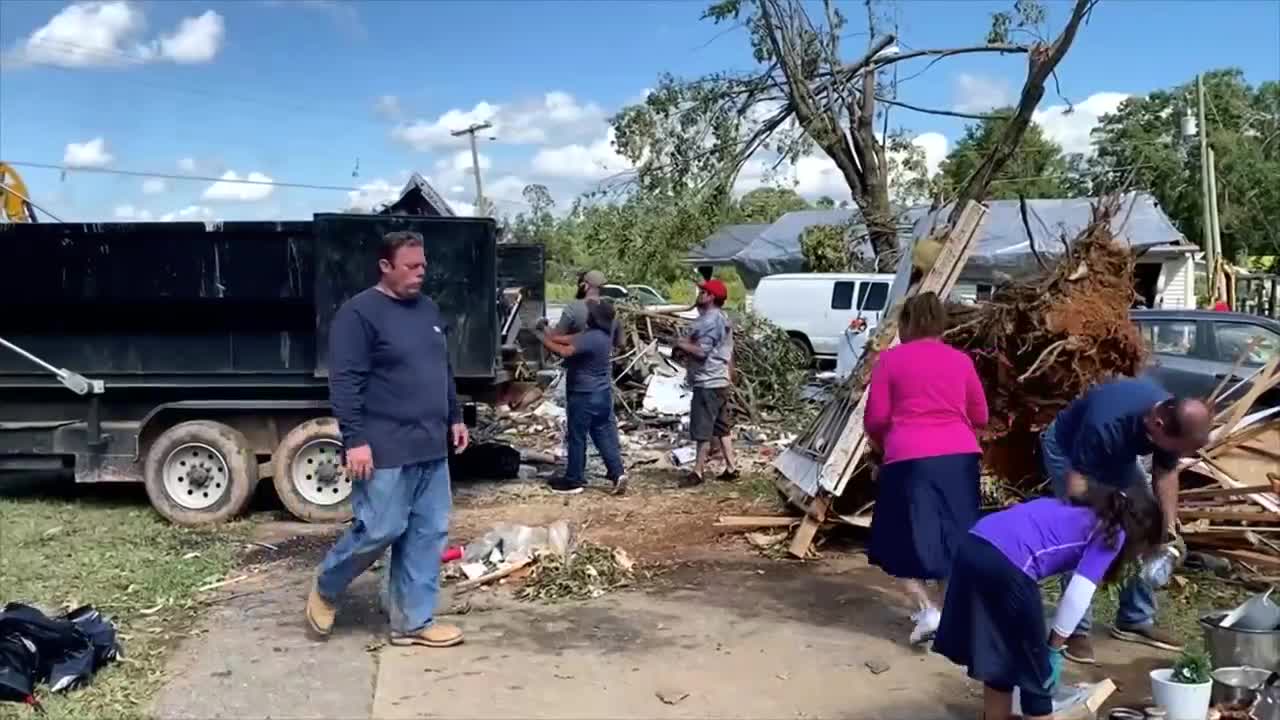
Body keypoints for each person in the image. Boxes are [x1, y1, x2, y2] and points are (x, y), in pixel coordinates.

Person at [305, 231, 469, 649]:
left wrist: (455, 416)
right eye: (410, 266)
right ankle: (326, 586)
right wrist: (354, 440)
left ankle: (413, 622)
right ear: (385, 266)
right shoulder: (359, 315)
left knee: (428, 533)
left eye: (423, 266)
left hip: (430, 445)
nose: (420, 273)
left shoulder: (428, 310)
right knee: (380, 529)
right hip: (383, 447)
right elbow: (345, 383)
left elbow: (442, 368)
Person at [934, 487, 1164, 720]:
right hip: (1008, 563)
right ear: (1141, 535)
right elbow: (1078, 595)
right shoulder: (1113, 532)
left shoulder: (1079, 507)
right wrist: (1053, 648)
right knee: (1036, 677)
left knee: (1001, 655)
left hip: (973, 545)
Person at [1040, 379, 1212, 664]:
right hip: (1069, 453)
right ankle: (1074, 630)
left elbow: (1166, 474)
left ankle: (1135, 618)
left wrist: (1167, 530)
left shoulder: (1173, 418)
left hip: (1119, 457)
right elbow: (1077, 484)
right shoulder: (1104, 423)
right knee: (1083, 534)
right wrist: (1102, 517)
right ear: (1157, 424)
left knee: (1145, 523)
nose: (1179, 453)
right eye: (1178, 448)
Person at [864, 291, 989, 645]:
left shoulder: (890, 361)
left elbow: (875, 418)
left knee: (895, 540)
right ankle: (947, 617)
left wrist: (882, 444)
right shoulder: (961, 361)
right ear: (941, 324)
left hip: (909, 458)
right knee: (954, 539)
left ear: (906, 323)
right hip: (960, 459)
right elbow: (980, 415)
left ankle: (928, 608)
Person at [540, 299, 627, 496]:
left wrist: (540, 337)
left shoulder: (590, 337)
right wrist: (547, 332)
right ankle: (617, 473)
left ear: (593, 318)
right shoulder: (602, 336)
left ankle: (574, 479)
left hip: (584, 394)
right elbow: (565, 339)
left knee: (577, 436)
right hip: (603, 394)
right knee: (603, 434)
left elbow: (564, 351)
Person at [675, 278, 737, 487]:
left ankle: (698, 472)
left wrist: (681, 344)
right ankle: (731, 468)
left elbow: (702, 352)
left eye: (703, 292)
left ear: (711, 297)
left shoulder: (708, 321)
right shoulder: (724, 318)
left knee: (703, 429)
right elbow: (729, 352)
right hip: (720, 379)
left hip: (707, 381)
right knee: (722, 427)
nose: (699, 294)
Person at [548, 269, 623, 348]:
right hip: (603, 357)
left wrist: (545, 328)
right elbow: (620, 343)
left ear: (585, 285)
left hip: (576, 357)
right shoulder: (609, 309)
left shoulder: (573, 308)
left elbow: (556, 337)